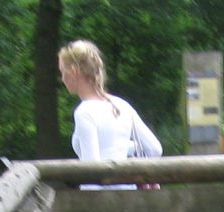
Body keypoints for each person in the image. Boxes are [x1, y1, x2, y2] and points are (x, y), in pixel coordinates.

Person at [57, 40, 161, 190]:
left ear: (74, 71)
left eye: (62, 71)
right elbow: (155, 149)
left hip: (104, 200)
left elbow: (92, 172)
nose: (62, 78)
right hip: (130, 195)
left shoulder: (84, 112)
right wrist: (127, 150)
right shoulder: (121, 105)